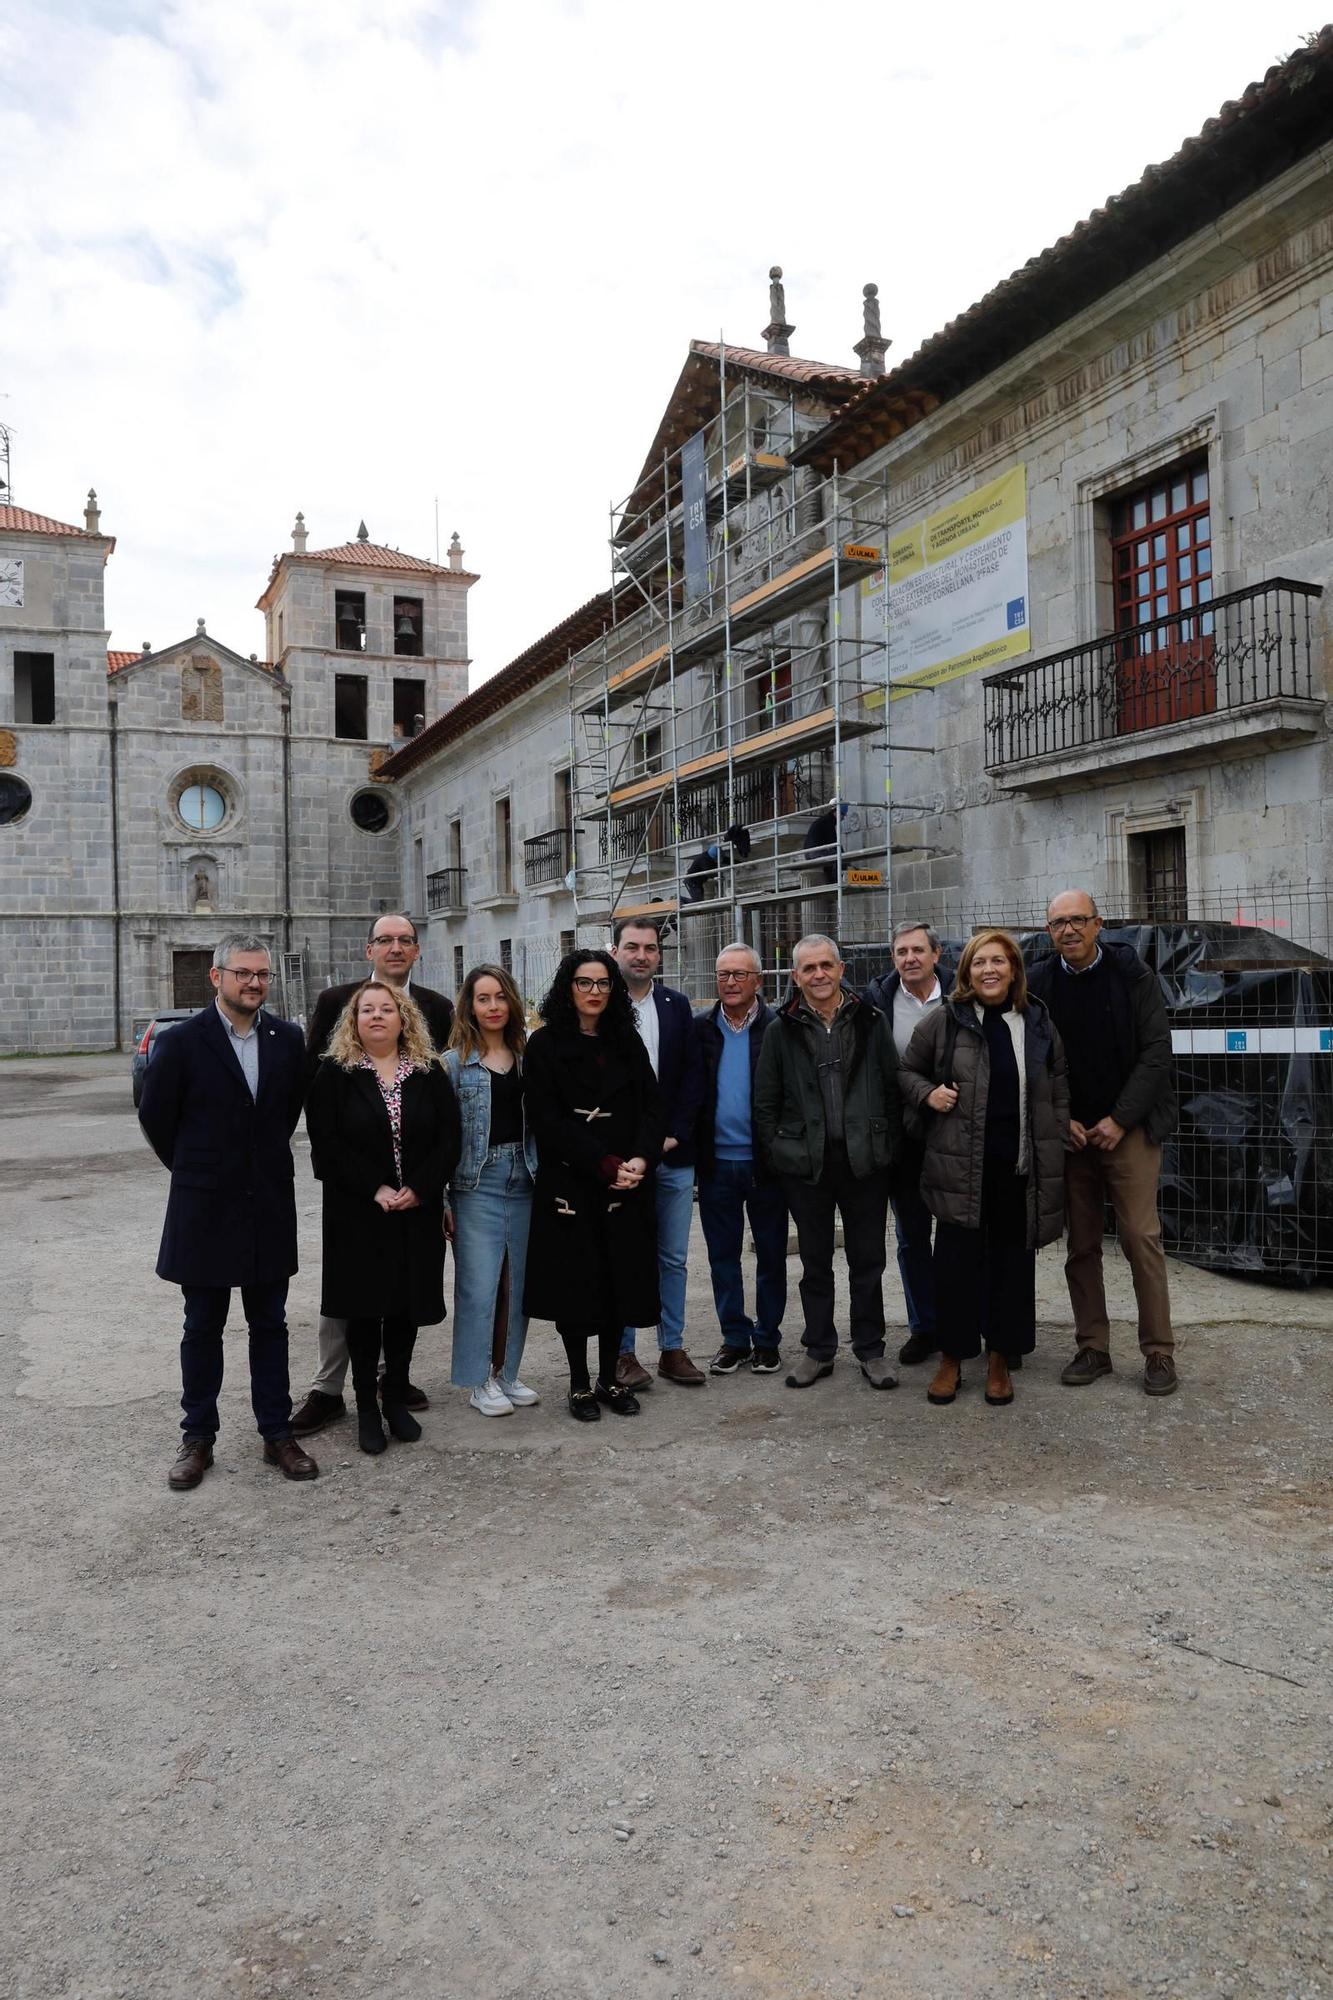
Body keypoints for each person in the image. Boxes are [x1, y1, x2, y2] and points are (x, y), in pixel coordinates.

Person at [138, 933, 318, 1490]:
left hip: (266, 1203)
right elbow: (157, 1117)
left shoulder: (288, 1040)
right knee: (202, 1325)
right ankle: (198, 1438)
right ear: (217, 977)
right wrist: (201, 1168)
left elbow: (285, 1114)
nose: (254, 983)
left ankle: (276, 1433)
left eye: (262, 974)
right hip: (204, 1206)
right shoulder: (182, 1042)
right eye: (243, 973)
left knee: (270, 1323)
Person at [292, 913, 454, 1436]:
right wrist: (361, 1178)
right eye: (385, 940)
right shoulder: (335, 1003)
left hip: (414, 1197)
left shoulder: (437, 1010)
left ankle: (393, 1386)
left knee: (403, 1294)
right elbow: (312, 1090)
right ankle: (329, 1389)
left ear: (417, 950)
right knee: (349, 1301)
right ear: (369, 951)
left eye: (405, 940)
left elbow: (445, 1124)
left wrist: (430, 1189)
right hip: (357, 1193)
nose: (395, 948)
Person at [898, 930, 1069, 1408]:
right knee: (954, 1266)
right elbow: (906, 1073)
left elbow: (1056, 1091)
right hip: (959, 1169)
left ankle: (999, 1358)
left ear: (1014, 968)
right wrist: (928, 1094)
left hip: (1017, 1168)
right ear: (966, 972)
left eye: (999, 961)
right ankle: (953, 1358)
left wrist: (1053, 1148)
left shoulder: (1036, 1022)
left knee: (1012, 1266)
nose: (989, 970)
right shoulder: (945, 1021)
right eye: (979, 962)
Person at [1027, 890, 1179, 1396]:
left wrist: (1119, 1119)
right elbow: (1035, 1061)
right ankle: (1093, 1346)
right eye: (1057, 924)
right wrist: (1061, 1117)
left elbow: (1157, 1054)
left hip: (1128, 1131)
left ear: (1098, 924)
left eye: (1077, 921)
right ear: (1048, 932)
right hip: (1072, 1138)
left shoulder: (1134, 976)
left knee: (1140, 1239)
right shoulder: (1040, 984)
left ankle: (1158, 1352)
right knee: (1082, 1245)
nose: (1067, 930)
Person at [753, 934, 902, 1391]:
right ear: (796, 976)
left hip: (864, 1163)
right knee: (815, 1263)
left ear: (840, 970)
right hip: (808, 1166)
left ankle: (871, 1350)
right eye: (808, 968)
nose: (818, 975)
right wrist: (782, 1154)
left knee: (868, 1260)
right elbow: (766, 1103)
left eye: (826, 966)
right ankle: (818, 1350)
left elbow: (892, 1087)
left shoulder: (869, 1020)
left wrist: (885, 1147)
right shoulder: (782, 1028)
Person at [523, 951, 665, 1422]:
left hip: (626, 1181)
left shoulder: (627, 1041)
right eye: (585, 983)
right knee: (576, 1285)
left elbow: (652, 1107)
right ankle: (580, 1383)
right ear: (569, 988)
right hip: (575, 1180)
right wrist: (603, 1162)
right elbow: (548, 1119)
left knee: (616, 1282)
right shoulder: (543, 1045)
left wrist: (641, 1158)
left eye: (603, 984)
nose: (595, 992)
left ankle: (609, 1378)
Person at [610, 919, 707, 1390]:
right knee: (627, 1253)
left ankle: (672, 1347)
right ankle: (623, 1354)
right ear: (615, 951)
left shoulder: (676, 1006)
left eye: (650, 948)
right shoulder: (600, 1004)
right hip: (621, 1160)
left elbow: (692, 1075)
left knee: (672, 1257)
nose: (641, 955)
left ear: (659, 956)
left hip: (671, 1154)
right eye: (632, 947)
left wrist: (672, 1134)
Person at [442, 964, 540, 1418]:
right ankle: (478, 1379)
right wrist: (443, 1199)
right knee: (479, 1287)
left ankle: (507, 1372)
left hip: (525, 1177)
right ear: (470, 1006)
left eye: (500, 997)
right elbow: (440, 1137)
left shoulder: (529, 1055)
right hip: (475, 1183)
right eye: (483, 998)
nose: (493, 1006)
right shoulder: (454, 1063)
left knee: (518, 1286)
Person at [694, 944, 788, 1374]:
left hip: (766, 1165)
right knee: (722, 1257)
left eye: (739, 974)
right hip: (716, 1165)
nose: (730, 982)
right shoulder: (701, 1029)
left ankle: (767, 1339)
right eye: (723, 974)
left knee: (770, 1255)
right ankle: (734, 1337)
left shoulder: (778, 1028)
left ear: (758, 980)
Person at [863, 920, 947, 1366]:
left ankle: (964, 1321)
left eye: (918, 950)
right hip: (903, 1137)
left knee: (960, 1235)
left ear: (936, 954)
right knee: (913, 1236)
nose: (909, 959)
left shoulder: (960, 994)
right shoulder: (880, 1002)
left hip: (956, 1133)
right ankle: (924, 1326)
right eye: (901, 952)